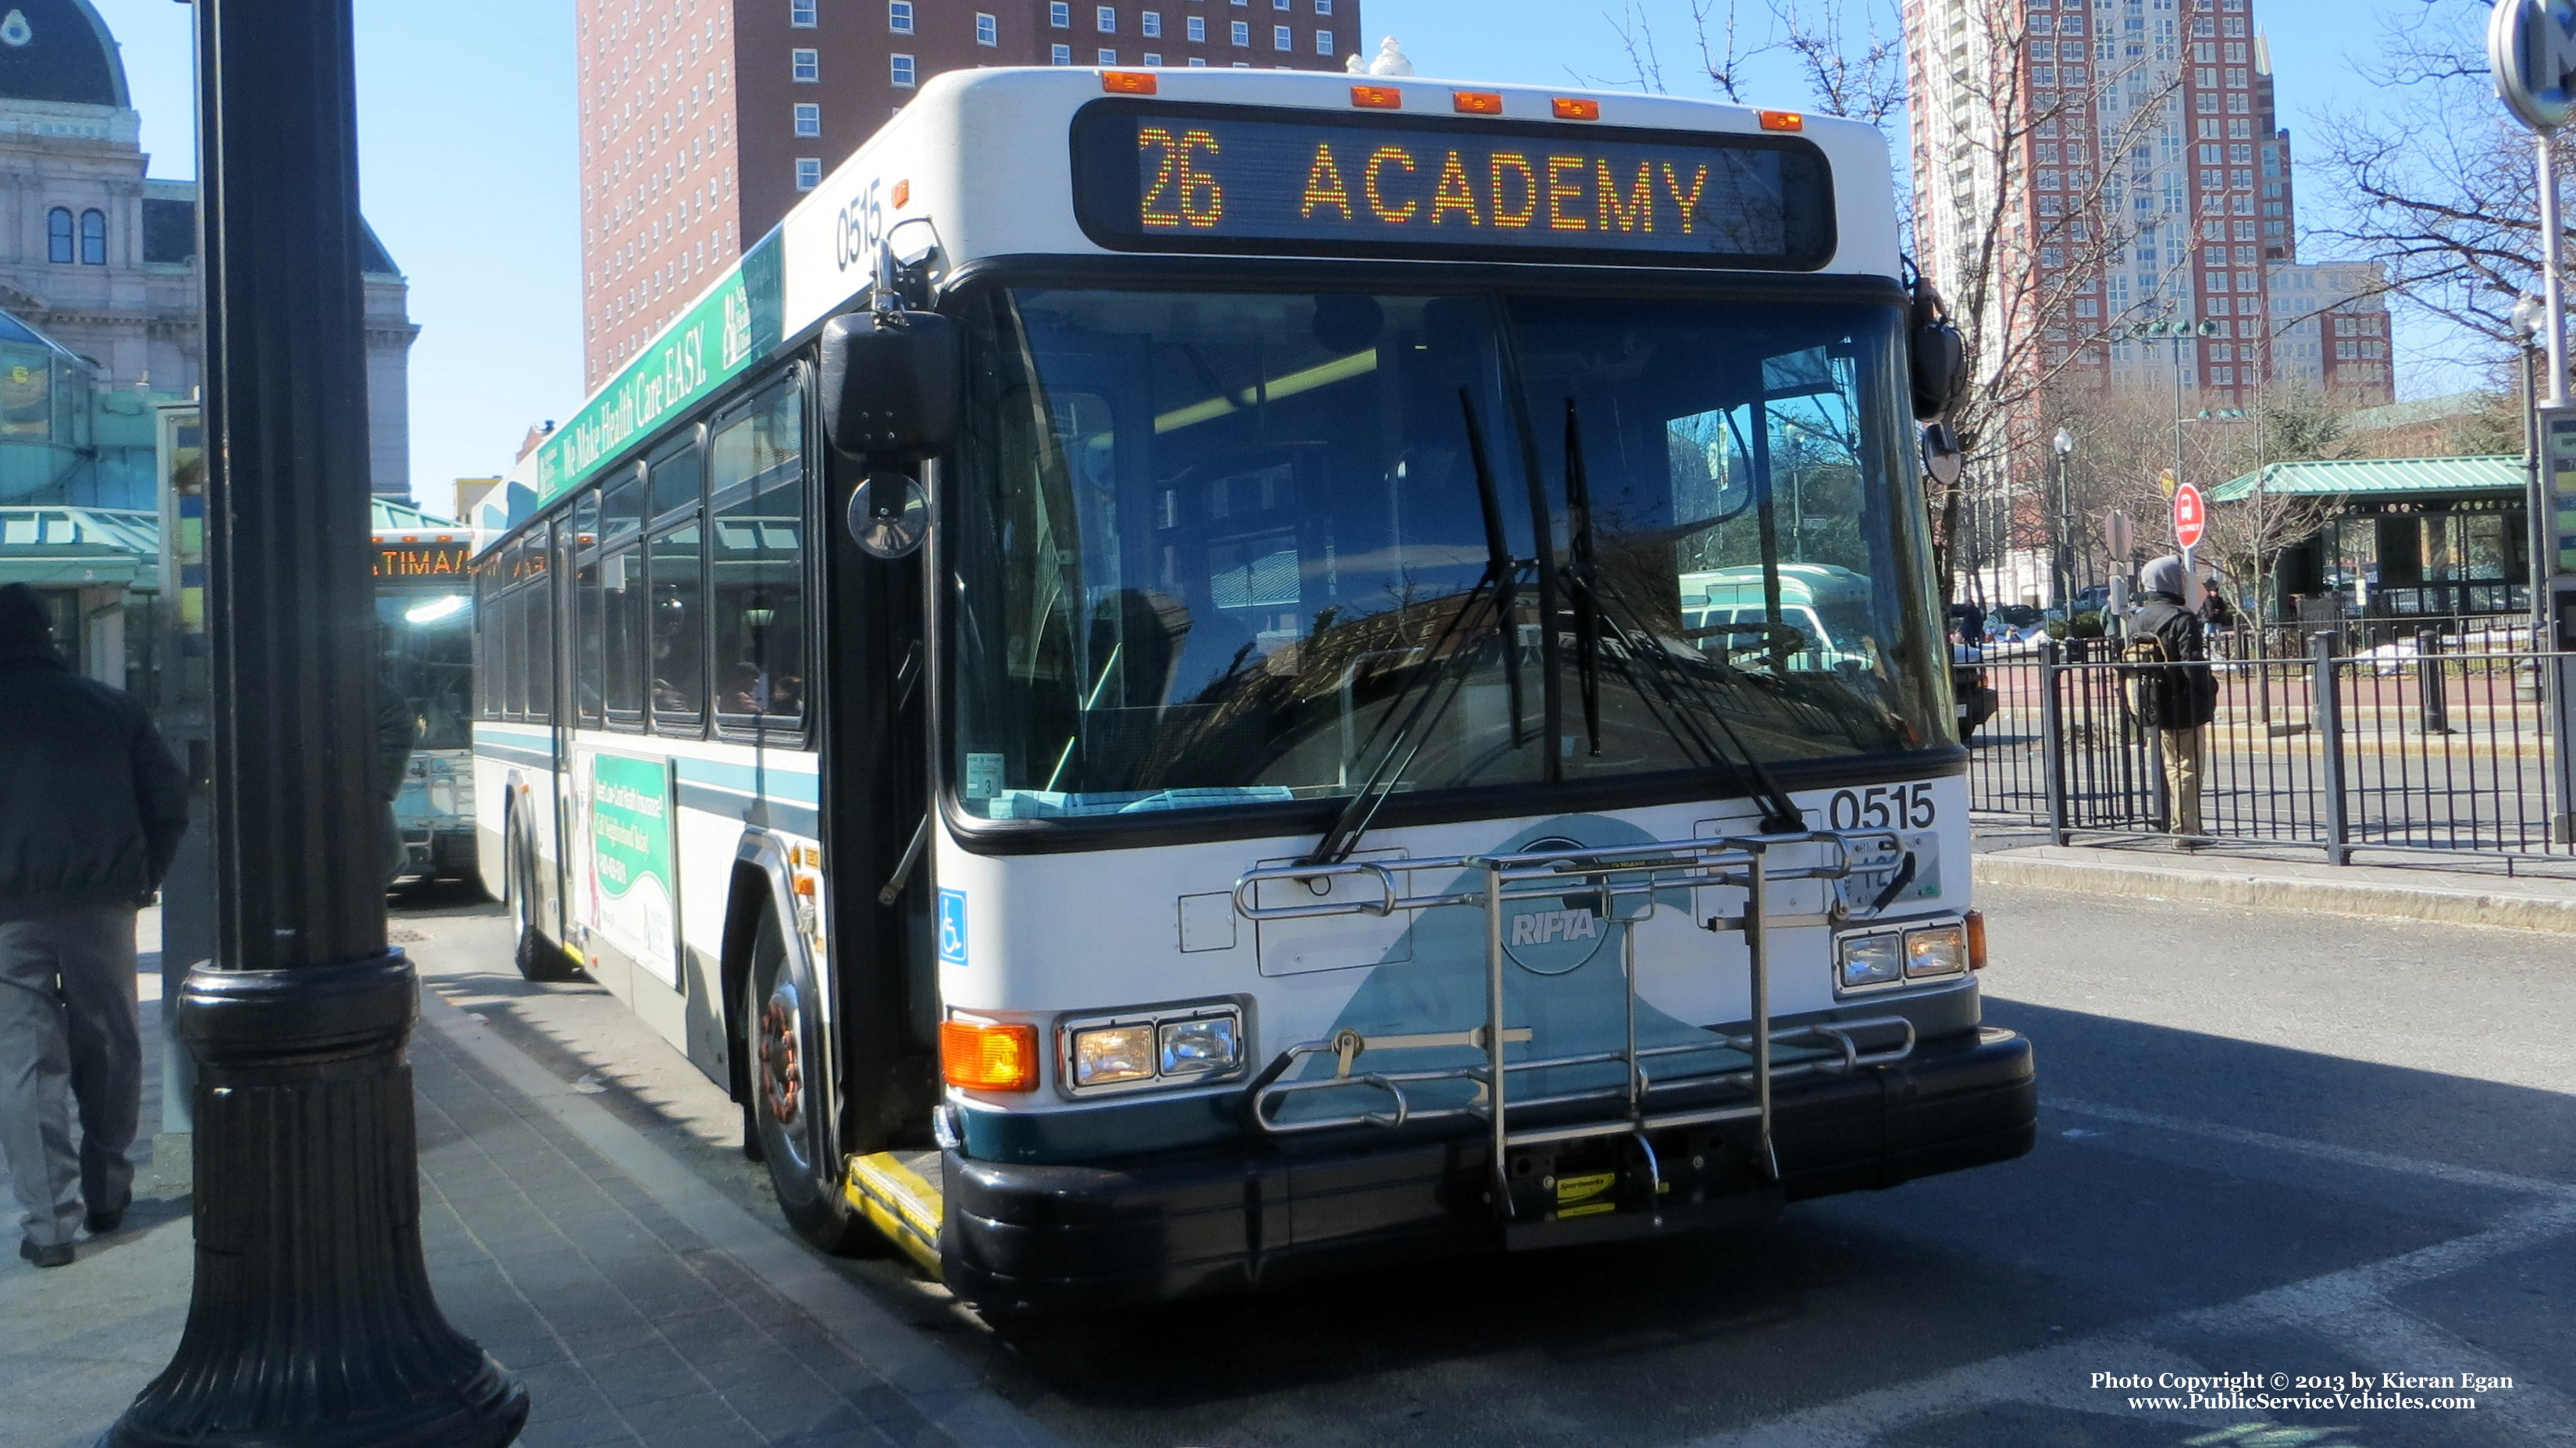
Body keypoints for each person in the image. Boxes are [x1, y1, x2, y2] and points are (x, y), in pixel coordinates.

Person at [0, 583, 187, 1267]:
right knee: (108, 1045)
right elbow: (168, 803)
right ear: (48, 635)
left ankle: (49, 1226)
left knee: (23, 1063)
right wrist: (140, 881)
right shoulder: (111, 708)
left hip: (6, 916)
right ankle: (109, 1192)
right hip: (103, 904)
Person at [2125, 555, 2219, 846]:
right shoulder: (2182, 617)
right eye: (2178, 575)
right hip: (2185, 702)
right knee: (2189, 767)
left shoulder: (2136, 619)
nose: (2182, 580)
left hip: (2155, 702)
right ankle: (2186, 830)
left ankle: (2184, 825)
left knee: (2172, 766)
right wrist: (2208, 692)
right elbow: (2193, 665)